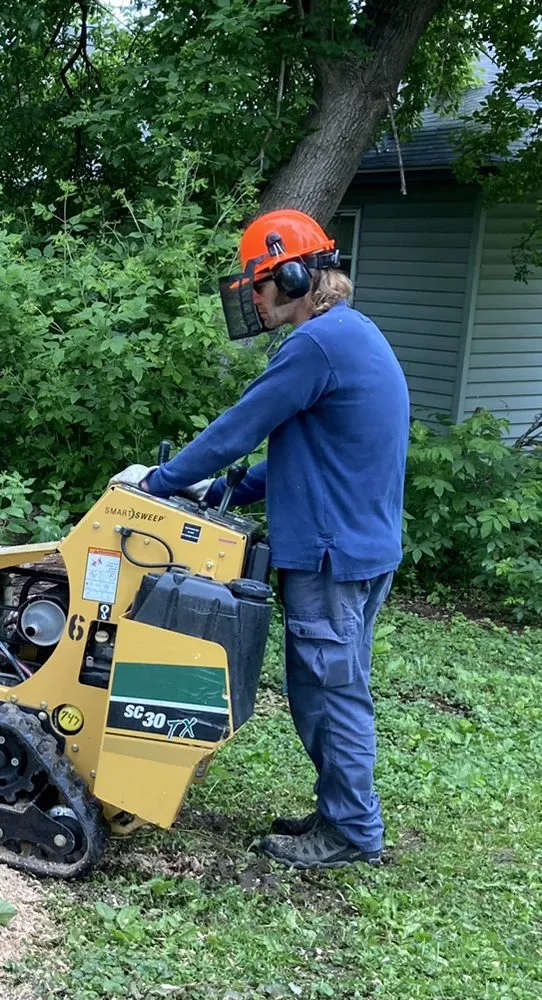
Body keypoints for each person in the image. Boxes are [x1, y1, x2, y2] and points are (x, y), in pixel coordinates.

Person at [113, 208, 410, 869]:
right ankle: (342, 811)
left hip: (332, 553)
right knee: (326, 688)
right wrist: (233, 488)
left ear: (295, 274)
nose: (253, 298)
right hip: (357, 547)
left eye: (259, 283)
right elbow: (314, 451)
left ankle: (353, 832)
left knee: (330, 691)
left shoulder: (318, 344)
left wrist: (159, 482)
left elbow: (238, 426)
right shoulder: (350, 337)